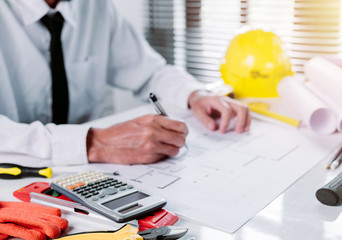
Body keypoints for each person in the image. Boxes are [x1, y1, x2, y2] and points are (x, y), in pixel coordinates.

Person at [0, 0, 251, 167]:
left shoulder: (95, 7)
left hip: (88, 177)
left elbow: (149, 71)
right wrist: (94, 143)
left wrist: (195, 94)